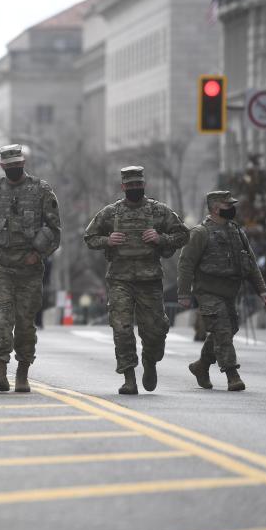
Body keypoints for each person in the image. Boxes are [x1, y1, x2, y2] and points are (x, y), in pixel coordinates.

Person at [84, 166, 188, 395]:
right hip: (120, 279)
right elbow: (89, 237)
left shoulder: (159, 211)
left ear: (144, 185)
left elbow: (183, 235)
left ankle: (150, 361)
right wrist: (107, 240)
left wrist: (161, 238)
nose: (134, 188)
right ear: (123, 187)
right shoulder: (110, 213)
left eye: (137, 185)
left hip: (149, 280)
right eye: (129, 185)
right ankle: (129, 377)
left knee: (155, 330)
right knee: (121, 328)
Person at [0, 145, 60, 393]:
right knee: (2, 318)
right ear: (3, 166)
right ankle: (0, 370)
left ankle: (22, 371)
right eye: (10, 166)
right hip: (2, 269)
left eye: (18, 165)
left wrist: (38, 254)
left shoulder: (41, 191)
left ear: (23, 163)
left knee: (25, 323)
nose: (14, 169)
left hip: (30, 271)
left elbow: (54, 230)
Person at [178, 190, 266, 391]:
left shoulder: (237, 232)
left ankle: (201, 366)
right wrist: (184, 293)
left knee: (229, 330)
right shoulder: (200, 233)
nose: (232, 209)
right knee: (222, 330)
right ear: (216, 208)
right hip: (208, 291)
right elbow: (186, 264)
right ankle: (232, 374)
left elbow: (251, 263)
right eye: (228, 206)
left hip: (230, 292)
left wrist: (261, 290)